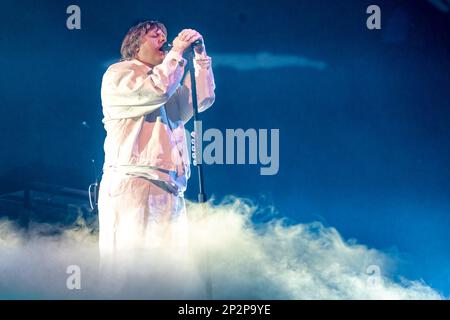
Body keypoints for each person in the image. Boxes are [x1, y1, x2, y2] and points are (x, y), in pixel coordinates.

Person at [98, 21, 215, 265]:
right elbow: (156, 90)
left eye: (165, 35)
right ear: (135, 46)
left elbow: (200, 100)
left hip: (171, 187)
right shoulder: (120, 74)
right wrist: (176, 52)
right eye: (155, 36)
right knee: (133, 269)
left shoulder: (167, 80)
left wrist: (200, 58)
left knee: (167, 272)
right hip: (135, 182)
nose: (164, 39)